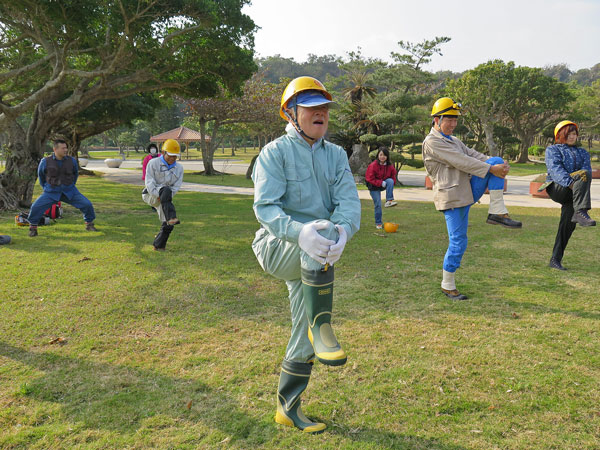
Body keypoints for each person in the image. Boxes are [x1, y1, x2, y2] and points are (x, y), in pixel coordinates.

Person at [251, 76, 361, 433]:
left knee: (301, 327)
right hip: (276, 246)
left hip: (320, 254)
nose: (321, 113)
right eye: (311, 107)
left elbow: (348, 201)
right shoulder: (274, 153)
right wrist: (301, 233)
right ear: (291, 112)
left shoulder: (337, 155)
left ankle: (288, 407)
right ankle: (323, 324)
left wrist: (344, 231)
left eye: (324, 108)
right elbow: (266, 209)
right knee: (321, 229)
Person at [422, 97, 522, 300]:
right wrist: (491, 168)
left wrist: (498, 167)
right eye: (448, 119)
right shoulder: (432, 142)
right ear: (436, 120)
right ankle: (447, 284)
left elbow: (474, 155)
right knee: (458, 242)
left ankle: (497, 211)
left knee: (495, 160)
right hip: (451, 197)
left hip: (465, 191)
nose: (453, 124)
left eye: (455, 120)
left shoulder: (454, 140)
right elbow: (462, 161)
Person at [544, 120, 595, 270]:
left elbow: (587, 171)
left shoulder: (583, 152)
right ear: (560, 135)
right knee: (582, 174)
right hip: (557, 188)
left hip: (574, 195)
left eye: (574, 134)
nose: (572, 137)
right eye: (568, 134)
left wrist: (578, 186)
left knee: (567, 226)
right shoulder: (552, 150)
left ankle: (555, 260)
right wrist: (572, 184)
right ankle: (581, 211)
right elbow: (555, 170)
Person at [27, 139, 97, 237]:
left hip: (69, 191)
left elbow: (75, 175)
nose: (66, 150)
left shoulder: (72, 161)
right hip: (51, 192)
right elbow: (41, 177)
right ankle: (33, 228)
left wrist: (70, 186)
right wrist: (47, 188)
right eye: (63, 148)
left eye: (66, 148)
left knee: (87, 204)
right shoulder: (45, 161)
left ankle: (89, 224)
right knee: (36, 207)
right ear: (55, 149)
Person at [142, 139, 183, 251]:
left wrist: (166, 197)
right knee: (165, 190)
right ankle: (172, 216)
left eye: (175, 156)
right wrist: (158, 195)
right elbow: (149, 182)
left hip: (166, 200)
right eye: (170, 155)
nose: (172, 158)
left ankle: (159, 245)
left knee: (168, 223)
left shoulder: (179, 168)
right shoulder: (153, 163)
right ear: (164, 152)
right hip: (150, 195)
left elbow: (176, 187)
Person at [365, 147, 398, 229]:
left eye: (384, 155)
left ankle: (389, 200)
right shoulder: (373, 165)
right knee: (378, 204)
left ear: (387, 156)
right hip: (373, 186)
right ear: (378, 155)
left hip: (383, 184)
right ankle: (378, 223)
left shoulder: (390, 166)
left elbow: (393, 176)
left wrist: (390, 183)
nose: (382, 157)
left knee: (390, 181)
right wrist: (380, 183)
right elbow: (369, 178)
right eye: (381, 155)